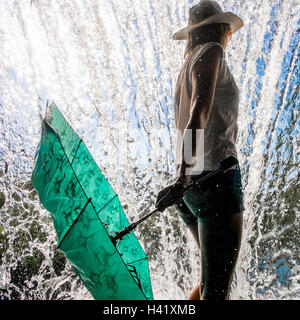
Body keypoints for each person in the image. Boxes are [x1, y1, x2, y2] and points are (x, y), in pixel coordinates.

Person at [155, 0, 245, 300]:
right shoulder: (212, 52)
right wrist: (183, 176)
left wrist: (183, 179)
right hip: (214, 181)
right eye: (224, 29)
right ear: (219, 28)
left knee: (211, 282)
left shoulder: (187, 66)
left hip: (194, 188)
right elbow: (198, 113)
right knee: (217, 291)